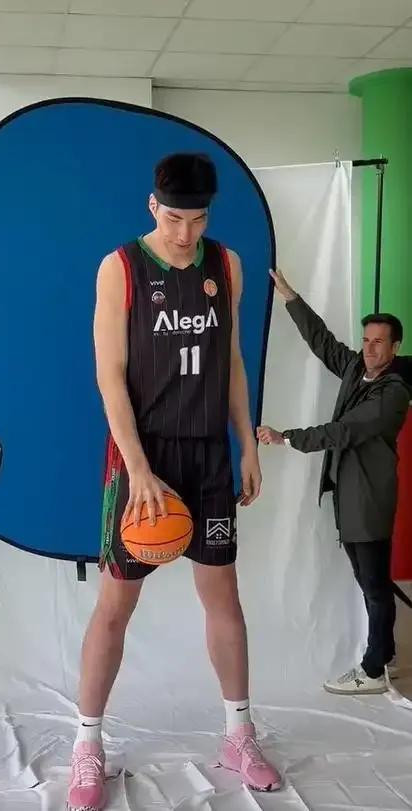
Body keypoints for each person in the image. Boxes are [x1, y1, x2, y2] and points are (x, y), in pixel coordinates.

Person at [67, 154, 282, 810]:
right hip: (143, 458)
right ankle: (86, 743)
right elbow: (109, 375)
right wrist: (137, 468)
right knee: (115, 607)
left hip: (207, 454)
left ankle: (238, 735)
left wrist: (245, 443)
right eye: (174, 219)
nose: (186, 233)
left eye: (198, 219)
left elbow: (232, 361)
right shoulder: (120, 268)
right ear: (152, 206)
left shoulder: (227, 265)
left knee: (225, 597)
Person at [258, 268, 411, 697]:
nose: (369, 348)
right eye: (366, 340)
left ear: (395, 348)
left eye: (378, 342)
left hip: (369, 500)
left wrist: (287, 437)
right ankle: (384, 653)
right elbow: (322, 342)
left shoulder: (393, 393)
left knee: (374, 587)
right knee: (371, 583)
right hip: (351, 497)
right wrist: (291, 297)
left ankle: (374, 668)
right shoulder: (356, 369)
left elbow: (343, 431)